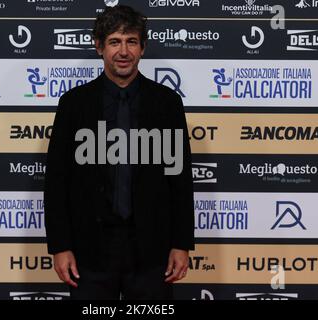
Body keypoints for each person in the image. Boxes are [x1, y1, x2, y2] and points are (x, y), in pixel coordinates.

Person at [44, 5, 194, 300]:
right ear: (99, 47)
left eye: (131, 41)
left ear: (143, 47)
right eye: (114, 41)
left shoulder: (168, 103)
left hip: (152, 250)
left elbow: (180, 178)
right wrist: (60, 246)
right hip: (90, 249)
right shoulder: (73, 104)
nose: (123, 51)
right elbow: (57, 180)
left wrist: (181, 243)